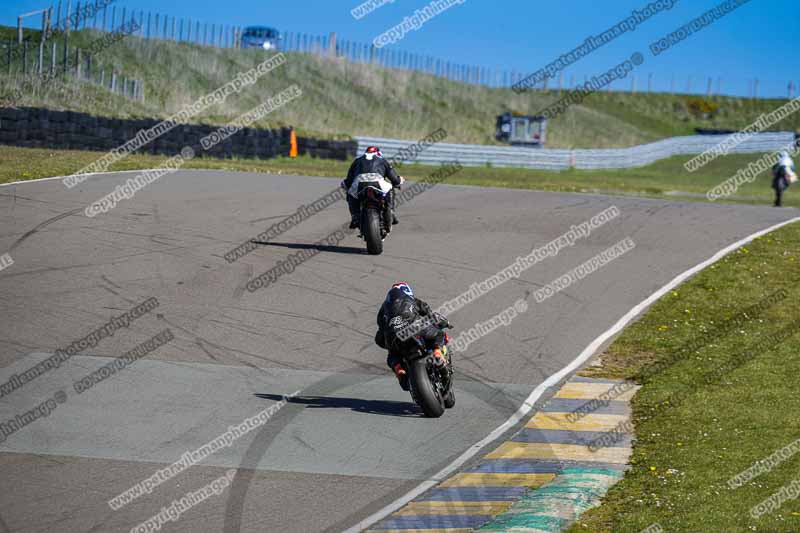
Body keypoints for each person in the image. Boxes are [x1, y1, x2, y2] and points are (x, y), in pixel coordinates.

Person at [375, 283, 452, 391]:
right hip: (414, 327)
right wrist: (444, 322)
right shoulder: (412, 300)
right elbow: (429, 313)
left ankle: (400, 371)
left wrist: (387, 344)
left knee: (392, 356)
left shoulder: (383, 310)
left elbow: (379, 337)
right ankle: (437, 353)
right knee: (439, 334)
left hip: (393, 338)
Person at [342, 146, 403, 229]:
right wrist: (399, 181)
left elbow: (348, 181)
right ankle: (391, 211)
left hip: (359, 183)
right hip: (378, 183)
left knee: (350, 193)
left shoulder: (357, 161)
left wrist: (346, 186)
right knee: (390, 188)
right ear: (378, 153)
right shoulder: (383, 160)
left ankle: (355, 216)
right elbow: (395, 180)